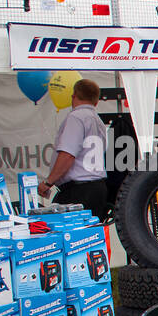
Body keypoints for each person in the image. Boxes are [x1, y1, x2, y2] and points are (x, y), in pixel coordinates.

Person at [38, 79, 108, 220]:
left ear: (73, 96)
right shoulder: (98, 121)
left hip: (78, 191)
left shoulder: (76, 117)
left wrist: (48, 182)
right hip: (97, 187)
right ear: (96, 101)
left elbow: (68, 155)